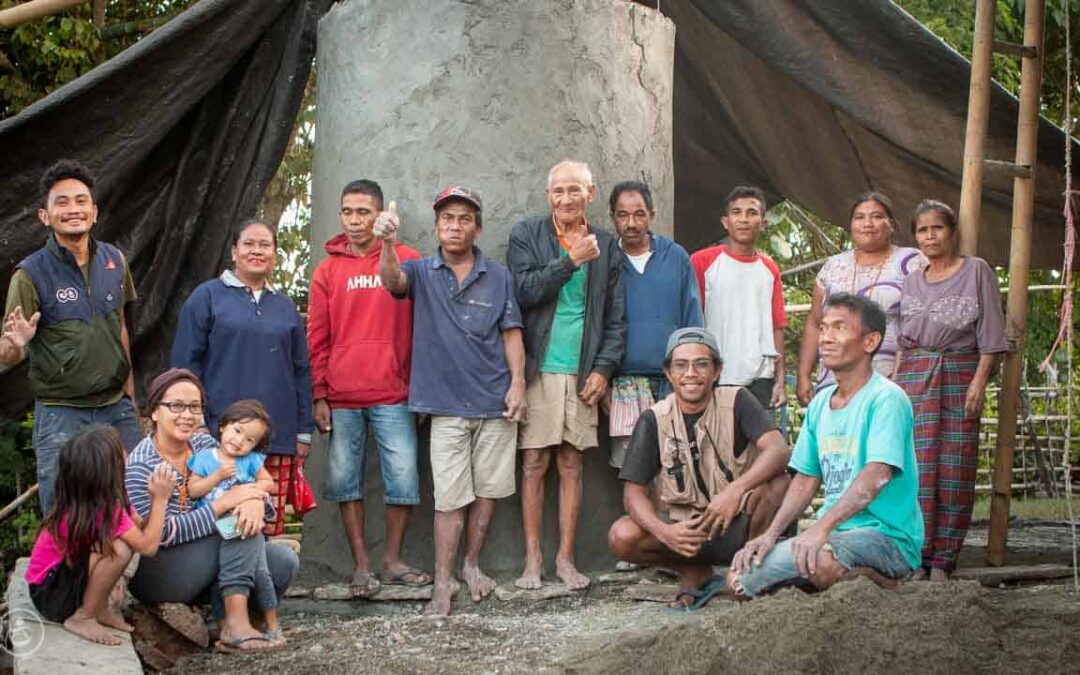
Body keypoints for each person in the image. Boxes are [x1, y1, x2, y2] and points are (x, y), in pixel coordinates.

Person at [379, 185, 526, 616]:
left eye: (464, 218)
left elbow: (511, 333)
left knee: (488, 493)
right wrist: (387, 242)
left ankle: (472, 564)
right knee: (449, 499)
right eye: (447, 218)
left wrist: (517, 383)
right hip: (444, 407)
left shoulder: (498, 276)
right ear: (437, 226)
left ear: (477, 228)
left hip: (494, 403)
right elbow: (392, 281)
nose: (455, 226)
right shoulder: (421, 272)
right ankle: (442, 583)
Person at [727, 294, 924, 598]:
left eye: (839, 328)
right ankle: (816, 578)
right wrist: (770, 535)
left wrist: (819, 531)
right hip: (835, 533)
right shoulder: (820, 403)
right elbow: (805, 479)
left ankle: (890, 585)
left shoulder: (887, 399)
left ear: (870, 341)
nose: (826, 338)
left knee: (818, 561)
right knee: (741, 579)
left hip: (887, 538)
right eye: (822, 328)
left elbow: (876, 476)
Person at [607, 328, 791, 608]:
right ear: (669, 373)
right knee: (622, 535)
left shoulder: (738, 401)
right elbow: (633, 495)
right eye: (681, 365)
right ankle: (694, 573)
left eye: (701, 364)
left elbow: (779, 450)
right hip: (687, 531)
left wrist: (735, 491)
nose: (691, 373)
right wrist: (664, 531)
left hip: (740, 523)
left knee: (778, 483)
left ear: (717, 371)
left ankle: (749, 570)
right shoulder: (654, 419)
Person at [508, 159, 626, 590]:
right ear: (548, 197)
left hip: (581, 373)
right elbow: (522, 292)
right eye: (558, 191)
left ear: (590, 195)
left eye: (574, 190)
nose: (565, 199)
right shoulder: (527, 235)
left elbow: (616, 317)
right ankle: (532, 560)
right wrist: (570, 261)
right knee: (535, 461)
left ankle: (565, 560)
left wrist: (603, 368)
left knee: (572, 463)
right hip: (538, 367)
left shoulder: (608, 246)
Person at [307, 179, 429, 597]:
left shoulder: (409, 260)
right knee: (344, 481)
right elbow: (316, 337)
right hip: (342, 397)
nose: (355, 220)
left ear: (380, 215)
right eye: (348, 212)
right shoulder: (327, 270)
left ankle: (392, 561)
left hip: (395, 394)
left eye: (364, 212)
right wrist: (319, 393)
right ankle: (361, 565)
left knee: (403, 478)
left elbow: (424, 329)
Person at [1, 160, 140, 514]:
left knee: (133, 501)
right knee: (63, 513)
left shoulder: (115, 260)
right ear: (44, 216)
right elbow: (8, 354)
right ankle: (63, 572)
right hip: (61, 414)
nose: (73, 209)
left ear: (94, 211)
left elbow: (120, 327)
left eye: (81, 201)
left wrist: (130, 400)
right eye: (61, 202)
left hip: (116, 409)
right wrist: (14, 346)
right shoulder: (29, 275)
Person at [125, 369, 299, 652]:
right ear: (155, 412)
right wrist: (225, 504)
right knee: (236, 525)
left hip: (208, 558)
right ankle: (235, 624)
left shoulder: (205, 444)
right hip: (160, 570)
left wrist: (253, 500)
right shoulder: (142, 464)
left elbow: (248, 485)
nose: (187, 415)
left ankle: (234, 620)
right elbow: (160, 535)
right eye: (176, 406)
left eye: (195, 407)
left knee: (282, 561)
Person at [171, 218, 314, 537]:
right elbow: (183, 367)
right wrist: (192, 424)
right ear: (234, 251)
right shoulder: (206, 298)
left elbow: (302, 370)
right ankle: (222, 585)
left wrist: (304, 431)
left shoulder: (286, 308)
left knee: (264, 525)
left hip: (276, 438)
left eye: (265, 245)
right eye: (249, 244)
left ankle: (261, 584)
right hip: (219, 439)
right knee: (220, 523)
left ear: (275, 254)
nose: (257, 251)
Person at [894, 200, 1006, 581]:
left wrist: (979, 381)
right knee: (917, 468)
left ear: (952, 231)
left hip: (959, 374)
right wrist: (895, 386)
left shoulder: (976, 271)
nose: (930, 236)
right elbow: (905, 341)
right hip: (914, 377)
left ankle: (943, 559)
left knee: (954, 466)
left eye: (937, 228)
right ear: (915, 238)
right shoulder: (911, 280)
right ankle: (918, 556)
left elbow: (991, 337)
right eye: (922, 230)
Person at [26, 425, 173, 645]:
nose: (126, 453)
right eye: (120, 451)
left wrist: (154, 499)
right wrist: (161, 499)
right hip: (49, 593)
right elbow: (148, 547)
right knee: (119, 550)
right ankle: (84, 617)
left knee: (124, 542)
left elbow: (141, 529)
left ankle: (99, 608)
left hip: (53, 584)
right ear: (109, 469)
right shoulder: (103, 510)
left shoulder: (98, 501)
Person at [607, 180, 702, 469]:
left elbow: (692, 318)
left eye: (639, 214)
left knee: (676, 466)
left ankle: (671, 518)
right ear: (613, 218)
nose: (631, 223)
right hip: (624, 385)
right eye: (623, 215)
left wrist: (692, 374)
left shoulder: (675, 257)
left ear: (652, 215)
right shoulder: (606, 261)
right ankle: (639, 517)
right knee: (634, 470)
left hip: (672, 384)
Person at [796, 192, 924, 405]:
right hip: (834, 381)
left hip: (891, 379)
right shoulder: (834, 266)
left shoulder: (912, 262)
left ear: (891, 224)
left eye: (876, 216)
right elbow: (814, 322)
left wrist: (901, 375)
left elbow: (920, 323)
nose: (867, 223)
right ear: (851, 226)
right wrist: (803, 374)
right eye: (859, 217)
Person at [187, 399, 281, 636]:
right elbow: (193, 490)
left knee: (260, 573)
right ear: (223, 426)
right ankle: (226, 627)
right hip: (211, 528)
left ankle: (272, 625)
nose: (240, 441)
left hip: (241, 525)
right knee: (225, 575)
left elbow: (268, 483)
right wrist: (217, 476)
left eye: (250, 440)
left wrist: (251, 495)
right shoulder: (205, 458)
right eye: (237, 430)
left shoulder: (249, 461)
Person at [690, 186, 787, 410]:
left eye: (752, 213)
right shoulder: (702, 262)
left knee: (756, 444)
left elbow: (777, 326)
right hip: (713, 374)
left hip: (760, 377)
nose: (744, 219)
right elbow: (690, 320)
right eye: (737, 212)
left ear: (763, 223)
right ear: (725, 221)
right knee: (710, 443)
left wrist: (780, 381)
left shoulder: (769, 269)